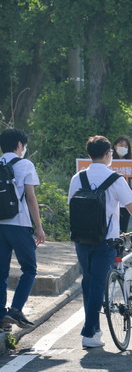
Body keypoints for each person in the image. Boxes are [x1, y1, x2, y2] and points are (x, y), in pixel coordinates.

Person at [68, 136, 132, 348]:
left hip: (82, 238)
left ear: (89, 155)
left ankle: (95, 329)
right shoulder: (116, 179)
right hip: (106, 240)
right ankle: (89, 333)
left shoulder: (77, 178)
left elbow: (72, 205)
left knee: (88, 282)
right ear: (108, 155)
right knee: (97, 283)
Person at [0, 128, 46, 330]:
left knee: (0, 272)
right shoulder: (25, 164)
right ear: (19, 145)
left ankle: (1, 316)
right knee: (29, 269)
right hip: (19, 225)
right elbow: (30, 197)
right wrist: (39, 226)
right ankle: (16, 310)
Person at [112, 135, 132, 233]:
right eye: (121, 144)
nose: (123, 148)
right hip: (111, 202)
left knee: (123, 232)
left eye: (126, 146)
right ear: (115, 146)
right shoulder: (107, 163)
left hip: (125, 204)